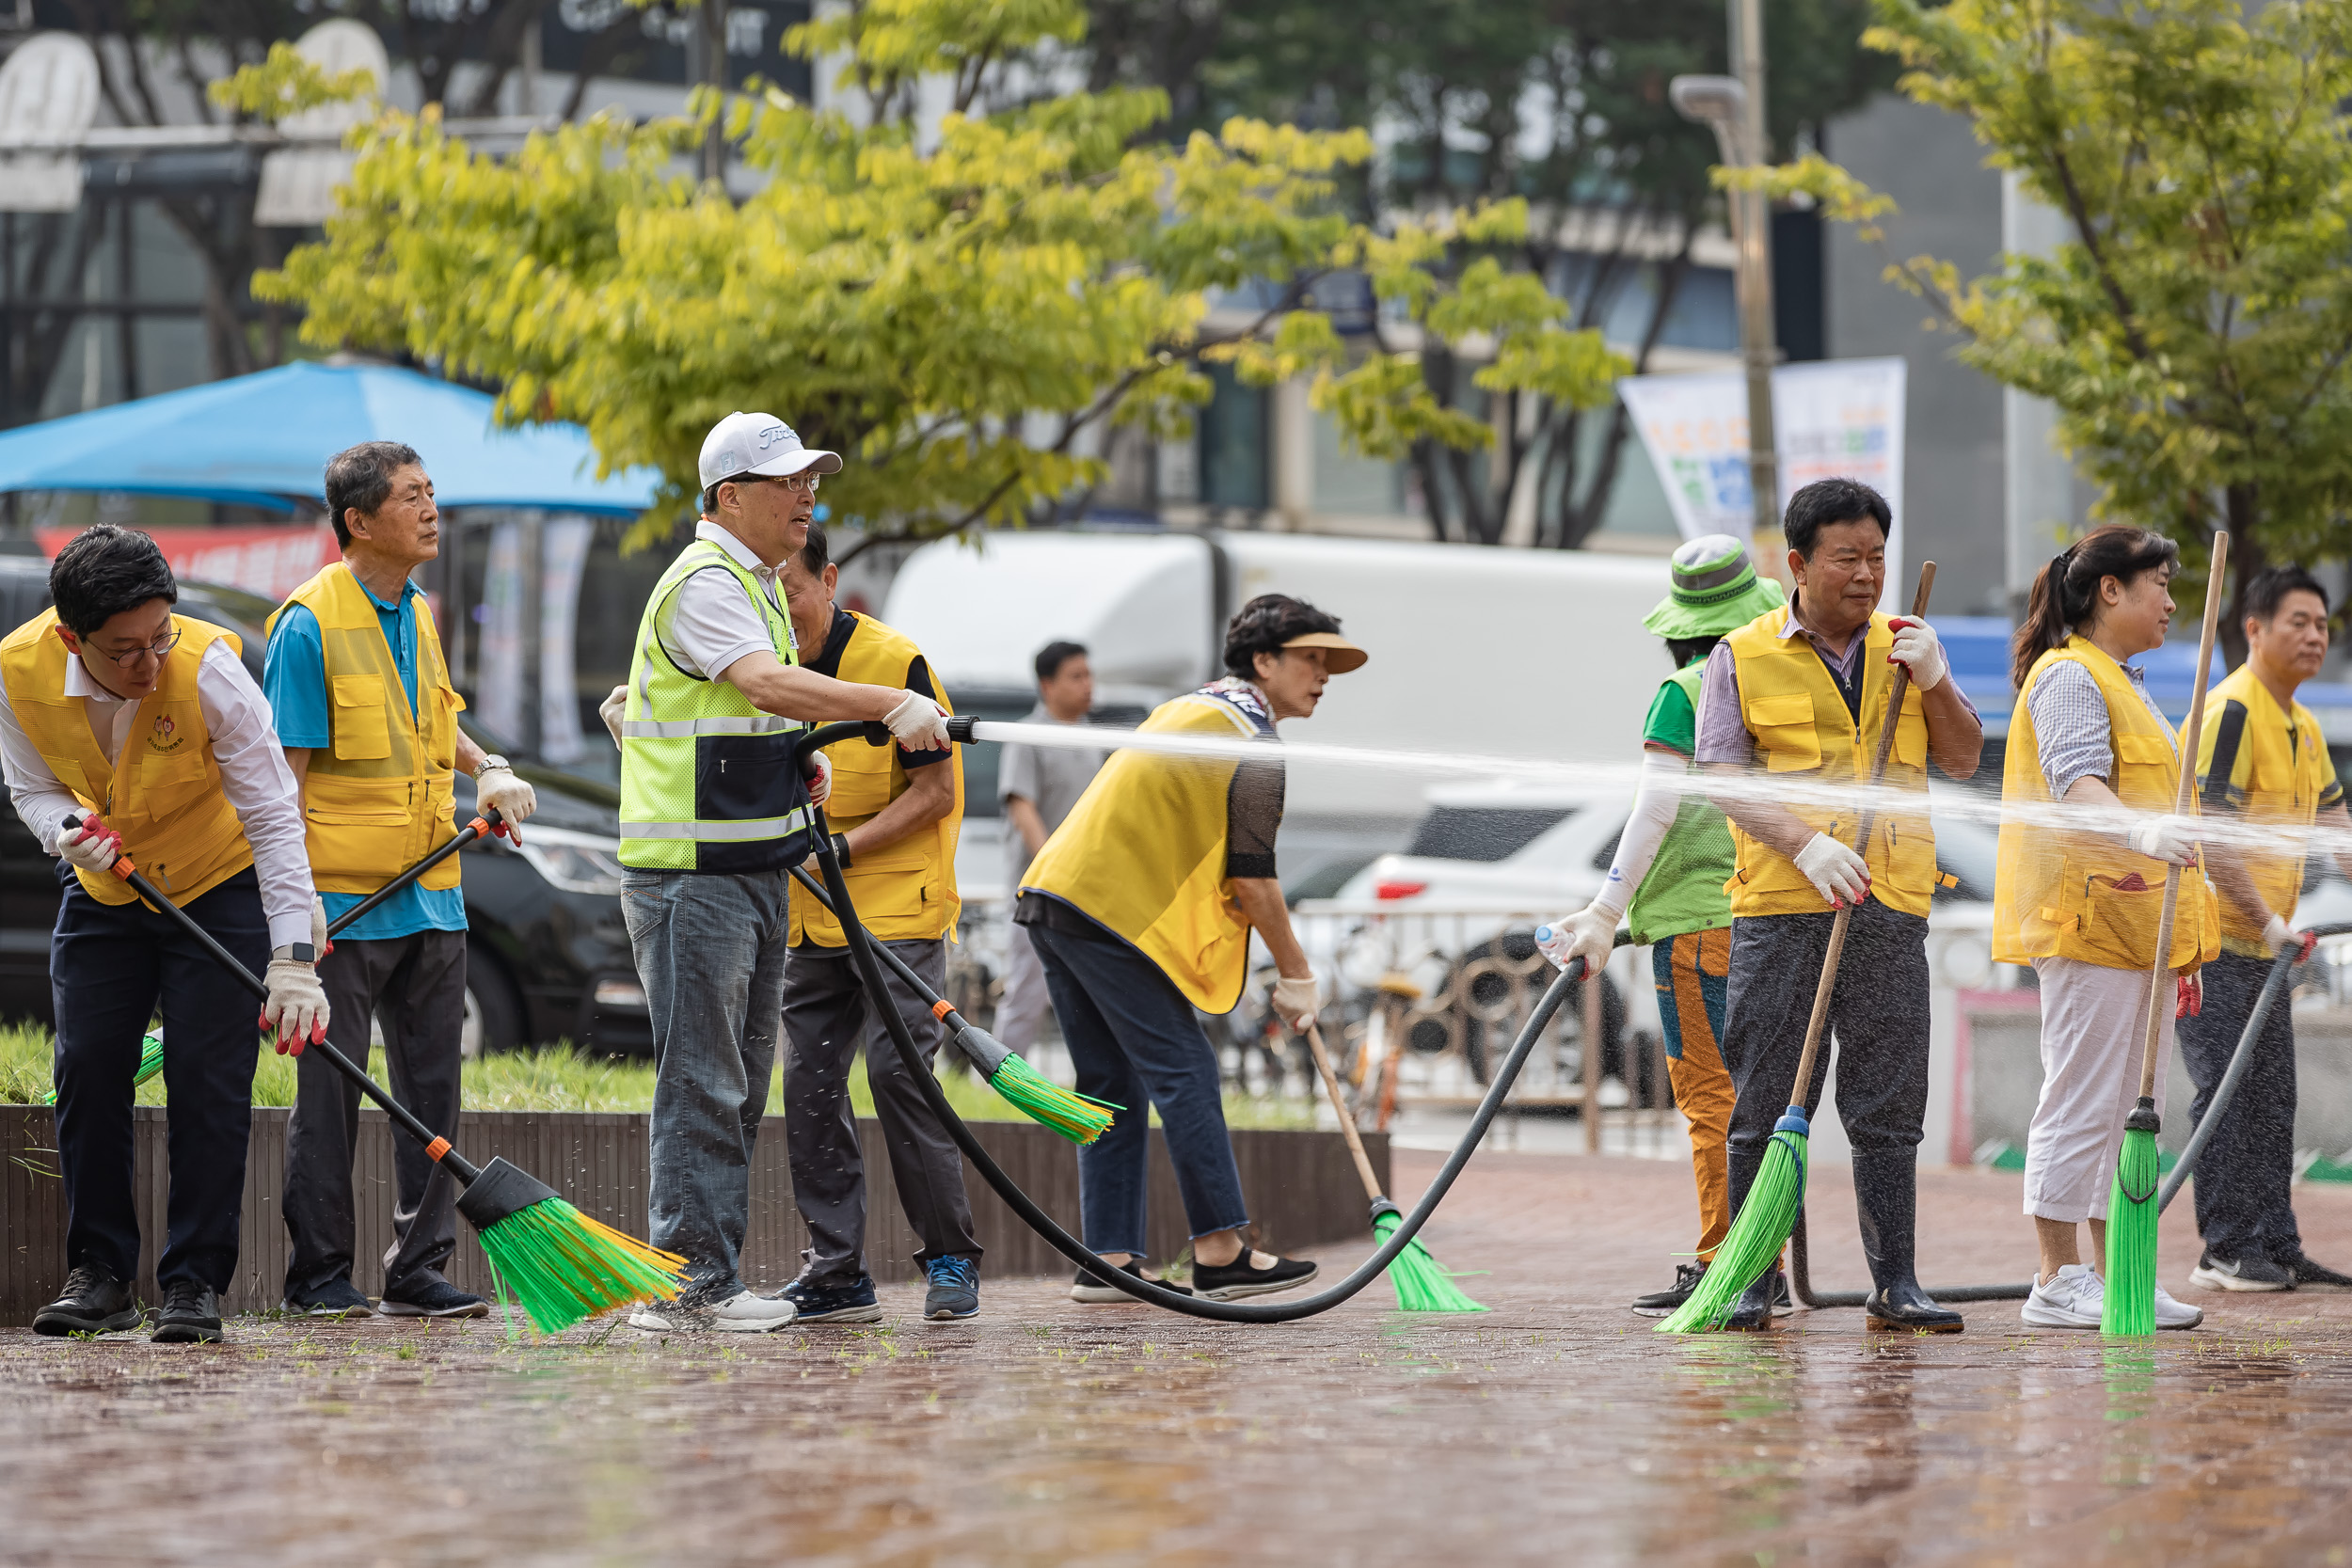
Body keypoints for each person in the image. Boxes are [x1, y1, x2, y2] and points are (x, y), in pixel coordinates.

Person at [610, 412, 950, 1333]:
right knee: (702, 1079)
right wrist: (888, 704)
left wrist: (797, 757)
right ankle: (685, 1286)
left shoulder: (754, 583)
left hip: (748, 865)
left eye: (810, 478)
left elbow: (748, 711)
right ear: (729, 496)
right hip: (693, 873)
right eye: (786, 480)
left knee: (734, 1077)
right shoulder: (708, 581)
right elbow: (764, 682)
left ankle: (707, 1278)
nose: (807, 494)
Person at [5, 525, 326, 1343]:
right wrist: (67, 829)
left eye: (160, 637)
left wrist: (292, 959)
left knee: (207, 1079)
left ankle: (193, 1282)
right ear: (72, 638)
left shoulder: (211, 666)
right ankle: (102, 1273)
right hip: (106, 887)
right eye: (125, 651)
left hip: (217, 885)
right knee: (87, 1066)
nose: (149, 664)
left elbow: (274, 817)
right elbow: (33, 788)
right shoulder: (16, 669)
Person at [1696, 477, 1983, 1334]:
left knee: (1889, 1105)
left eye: (1877, 557)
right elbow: (1721, 779)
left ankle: (1896, 1280)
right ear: (1798, 562)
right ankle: (1751, 1278)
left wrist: (1936, 682)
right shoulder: (1740, 655)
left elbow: (1964, 757)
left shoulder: (1908, 645)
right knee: (1763, 1103)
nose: (1867, 574)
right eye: (1847, 557)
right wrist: (1808, 844)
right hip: (1784, 906)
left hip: (1890, 904)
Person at [1017, 594, 1362, 1303]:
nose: (1322, 675)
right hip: (1103, 913)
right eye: (1309, 658)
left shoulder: (1196, 708)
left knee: (1110, 1085)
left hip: (1056, 898)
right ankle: (1221, 1250)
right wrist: (1298, 973)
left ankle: (1108, 1258)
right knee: (1186, 1071)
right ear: (1264, 661)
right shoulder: (1251, 739)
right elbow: (1254, 877)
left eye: (1328, 662)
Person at [264, 442, 539, 1321]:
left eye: (432, 493)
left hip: (432, 894)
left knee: (432, 1098)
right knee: (330, 1105)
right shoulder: (308, 625)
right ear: (359, 520)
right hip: (343, 906)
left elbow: (439, 721)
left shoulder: (417, 610)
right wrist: (294, 918)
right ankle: (319, 1277)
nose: (431, 509)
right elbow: (284, 785)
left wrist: (487, 765)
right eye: (412, 497)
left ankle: (418, 1270)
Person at [1540, 534, 1784, 1318]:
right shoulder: (1773, 681)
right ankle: (1765, 1260)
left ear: (1681, 627)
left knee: (1714, 1099)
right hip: (1770, 915)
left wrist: (1607, 911)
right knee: (1765, 1096)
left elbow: (1655, 809)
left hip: (1700, 928)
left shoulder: (1685, 690)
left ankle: (1728, 1263)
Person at [1994, 524, 2216, 1332]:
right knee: (2081, 1098)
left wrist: (2182, 936)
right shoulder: (2068, 675)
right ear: (2109, 590)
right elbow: (2074, 779)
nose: (2170, 600)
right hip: (2088, 915)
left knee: (2128, 1107)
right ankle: (2056, 1276)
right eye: (2157, 582)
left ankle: (2116, 1272)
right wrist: (2141, 833)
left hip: (2139, 925)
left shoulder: (2128, 680)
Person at [775, 520, 984, 1323]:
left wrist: (843, 850)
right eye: (769, 594)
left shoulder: (897, 663)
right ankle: (836, 1273)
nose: (782, 609)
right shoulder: (763, 668)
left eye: (792, 590)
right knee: (810, 1088)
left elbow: (938, 792)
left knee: (901, 1076)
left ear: (830, 583)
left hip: (895, 908)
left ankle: (951, 1259)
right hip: (809, 916)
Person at [2179, 564, 2352, 1293]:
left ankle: (2277, 1243)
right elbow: (2210, 830)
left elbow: (2335, 821)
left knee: (2272, 1095)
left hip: (2268, 949)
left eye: (2322, 625)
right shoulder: (2235, 711)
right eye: (2299, 622)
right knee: (2226, 1089)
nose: (2315, 636)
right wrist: (2272, 919)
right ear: (2254, 627)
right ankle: (2224, 1248)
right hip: (2218, 943)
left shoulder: (2304, 726)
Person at [994, 641, 1106, 1053]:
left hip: (1087, 888)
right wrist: (1053, 870)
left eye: (1089, 675)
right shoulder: (1027, 736)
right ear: (1047, 684)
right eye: (1076, 676)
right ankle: (1002, 1081)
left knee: (1089, 989)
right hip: (1038, 889)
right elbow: (1023, 809)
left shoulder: (1094, 738)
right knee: (1029, 985)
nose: (1087, 685)